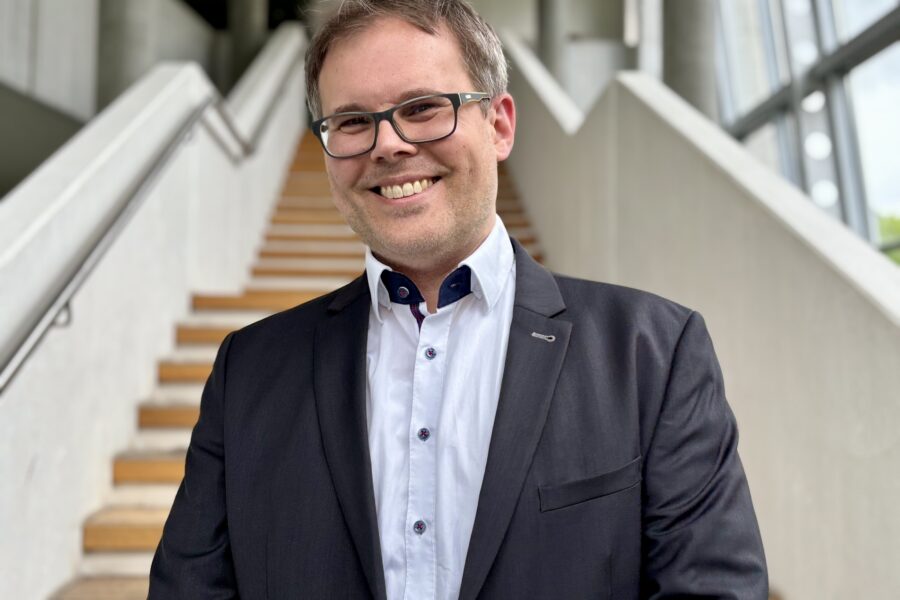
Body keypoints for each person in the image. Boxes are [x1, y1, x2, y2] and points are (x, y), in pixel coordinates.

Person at [149, 1, 768, 598]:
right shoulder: (248, 371)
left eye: (422, 108)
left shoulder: (652, 354)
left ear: (499, 125)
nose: (387, 145)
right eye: (354, 121)